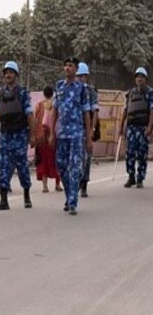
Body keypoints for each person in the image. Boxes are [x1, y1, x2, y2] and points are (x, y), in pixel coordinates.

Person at [49, 57, 92, 216]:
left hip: (76, 133)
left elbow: (86, 112)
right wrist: (53, 132)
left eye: (70, 66)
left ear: (76, 69)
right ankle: (70, 194)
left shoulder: (82, 89)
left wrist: (88, 136)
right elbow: (54, 110)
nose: (67, 68)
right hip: (62, 134)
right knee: (60, 165)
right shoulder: (59, 87)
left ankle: (72, 201)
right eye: (65, 65)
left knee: (74, 167)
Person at [0, 61, 35, 210]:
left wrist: (32, 135)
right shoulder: (0, 93)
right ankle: (4, 200)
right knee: (3, 166)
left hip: (20, 134)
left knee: (22, 165)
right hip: (5, 134)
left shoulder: (23, 92)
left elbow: (29, 114)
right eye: (6, 73)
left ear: (16, 75)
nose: (8, 75)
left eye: (11, 72)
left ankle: (26, 195)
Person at [121, 67, 153, 188]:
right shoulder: (130, 93)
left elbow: (152, 110)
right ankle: (131, 177)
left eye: (142, 77)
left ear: (145, 79)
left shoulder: (150, 93)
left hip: (143, 127)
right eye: (137, 77)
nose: (139, 79)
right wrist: (121, 126)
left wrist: (149, 127)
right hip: (131, 127)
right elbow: (125, 110)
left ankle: (140, 178)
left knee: (141, 154)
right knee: (129, 153)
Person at [76, 62, 99, 198]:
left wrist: (92, 129)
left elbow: (95, 112)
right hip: (73, 129)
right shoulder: (72, 90)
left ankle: (83, 184)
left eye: (83, 76)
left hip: (86, 128)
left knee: (86, 158)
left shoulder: (91, 91)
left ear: (87, 77)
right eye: (79, 76)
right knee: (74, 159)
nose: (80, 79)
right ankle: (75, 183)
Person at [34, 85, 62, 193]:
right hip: (54, 136)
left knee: (43, 161)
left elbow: (36, 121)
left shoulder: (38, 105)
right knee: (56, 160)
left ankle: (45, 186)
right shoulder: (56, 105)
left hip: (41, 138)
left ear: (44, 94)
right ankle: (57, 184)